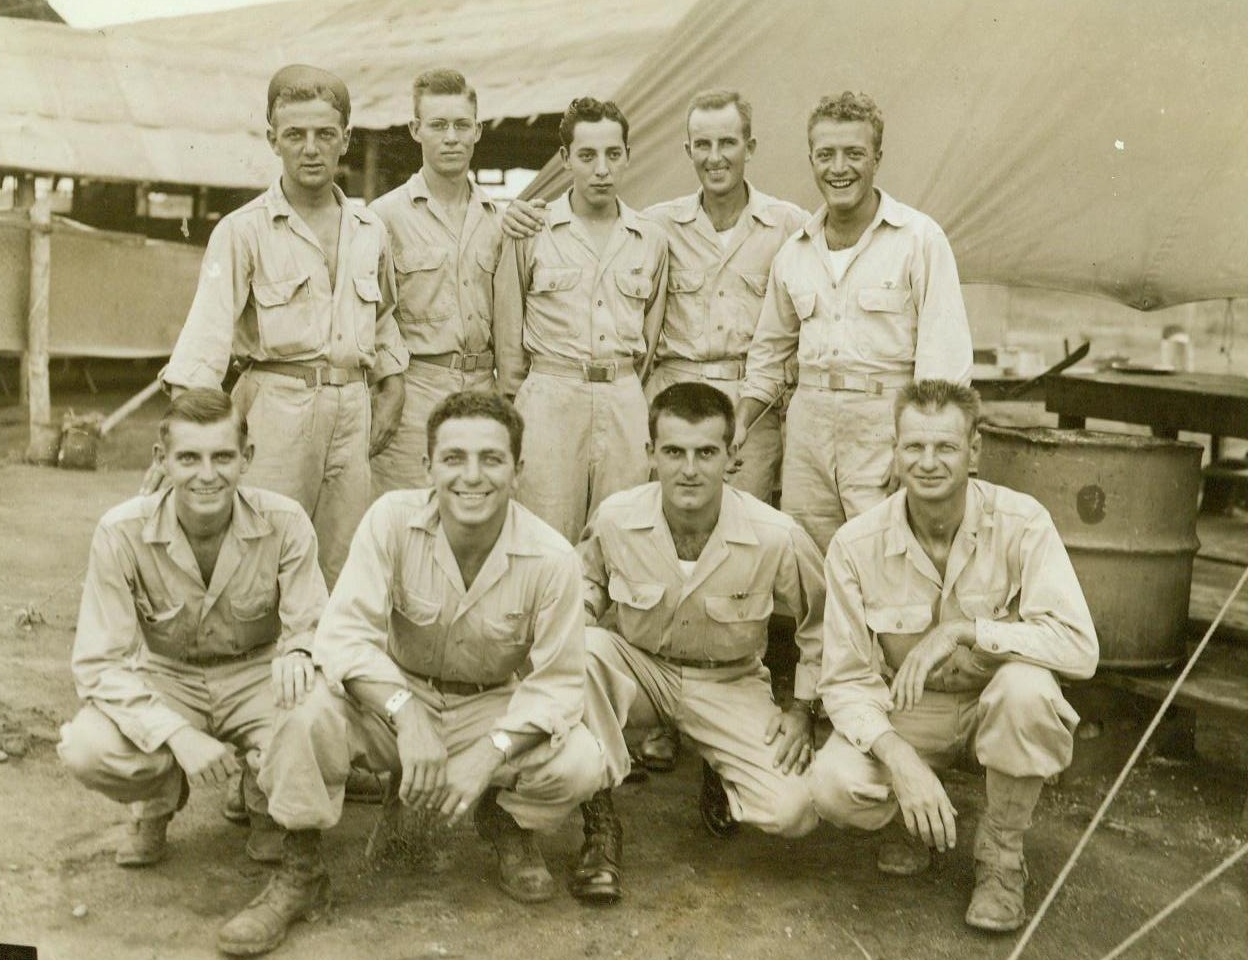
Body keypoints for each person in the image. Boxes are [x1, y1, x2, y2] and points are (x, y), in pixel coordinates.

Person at [216, 391, 607, 956]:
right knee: (303, 713)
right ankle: (302, 871)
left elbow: (559, 685)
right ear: (427, 467)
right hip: (392, 696)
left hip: (487, 705)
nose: (471, 477)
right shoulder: (391, 520)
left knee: (579, 762)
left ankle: (504, 823)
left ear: (518, 471)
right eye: (453, 458)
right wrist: (406, 715)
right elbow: (345, 635)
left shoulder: (552, 558)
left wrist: (490, 751)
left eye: (491, 459)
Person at [808, 379, 1098, 932]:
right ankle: (916, 820)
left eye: (945, 446)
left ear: (975, 449)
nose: (928, 462)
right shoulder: (855, 544)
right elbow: (844, 680)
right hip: (917, 711)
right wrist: (899, 758)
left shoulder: (1022, 521)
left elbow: (1079, 647)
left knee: (1026, 689)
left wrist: (964, 631)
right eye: (914, 446)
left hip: (997, 703)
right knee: (833, 785)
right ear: (894, 451)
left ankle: (1001, 857)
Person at [571, 382, 825, 904]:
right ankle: (599, 826)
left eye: (706, 452)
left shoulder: (775, 533)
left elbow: (823, 623)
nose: (689, 470)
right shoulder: (618, 516)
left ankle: (720, 766)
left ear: (733, 457)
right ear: (650, 455)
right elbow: (585, 583)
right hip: (640, 668)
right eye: (674, 452)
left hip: (726, 680)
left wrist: (801, 709)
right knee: (581, 650)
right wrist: (579, 619)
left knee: (794, 810)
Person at [158, 64, 409, 589]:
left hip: (352, 412)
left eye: (324, 134)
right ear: (273, 140)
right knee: (264, 551)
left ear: (346, 139)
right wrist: (191, 437)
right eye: (295, 135)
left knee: (344, 562)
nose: (310, 148)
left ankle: (327, 666)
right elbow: (204, 343)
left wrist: (393, 385)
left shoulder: (370, 230)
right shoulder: (242, 231)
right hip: (277, 406)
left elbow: (384, 321)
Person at [58, 389, 327, 872]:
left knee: (322, 720)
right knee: (87, 748)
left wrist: (300, 652)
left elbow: (314, 625)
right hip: (167, 678)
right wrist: (178, 736)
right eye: (189, 458)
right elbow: (99, 665)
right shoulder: (120, 532)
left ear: (246, 458)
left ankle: (267, 802)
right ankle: (158, 801)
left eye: (222, 456)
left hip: (257, 675)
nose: (207, 474)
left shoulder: (285, 522)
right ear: (163, 460)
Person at [737, 91, 974, 554]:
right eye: (826, 155)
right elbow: (768, 356)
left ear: (877, 159)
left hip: (883, 427)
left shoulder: (918, 240)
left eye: (854, 154)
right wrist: (740, 425)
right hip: (808, 431)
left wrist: (916, 447)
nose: (839, 168)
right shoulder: (795, 252)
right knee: (808, 559)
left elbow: (944, 364)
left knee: (889, 557)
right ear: (811, 159)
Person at [493, 96, 668, 544]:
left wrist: (623, 384)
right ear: (566, 158)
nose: (602, 169)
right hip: (551, 397)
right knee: (544, 533)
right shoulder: (533, 231)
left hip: (624, 397)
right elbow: (509, 335)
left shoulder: (650, 239)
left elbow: (650, 333)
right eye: (587, 156)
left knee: (624, 532)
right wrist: (521, 401)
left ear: (628, 155)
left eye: (613, 154)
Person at [369, 68, 505, 496]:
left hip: (484, 389)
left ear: (477, 131)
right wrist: (390, 388)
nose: (451, 137)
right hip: (414, 393)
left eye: (462, 125)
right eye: (438, 125)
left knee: (477, 508)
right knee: (409, 513)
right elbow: (373, 314)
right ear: (416, 130)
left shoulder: (498, 220)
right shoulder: (383, 217)